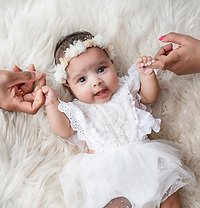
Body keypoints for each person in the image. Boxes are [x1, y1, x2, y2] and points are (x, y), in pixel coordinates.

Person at [39, 31, 195, 208]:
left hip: (145, 161)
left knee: (169, 198)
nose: (96, 81)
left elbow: (149, 97)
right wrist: (51, 104)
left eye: (101, 69)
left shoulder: (126, 90)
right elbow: (64, 129)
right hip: (107, 174)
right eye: (82, 79)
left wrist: (146, 75)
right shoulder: (79, 109)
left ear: (111, 64)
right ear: (70, 87)